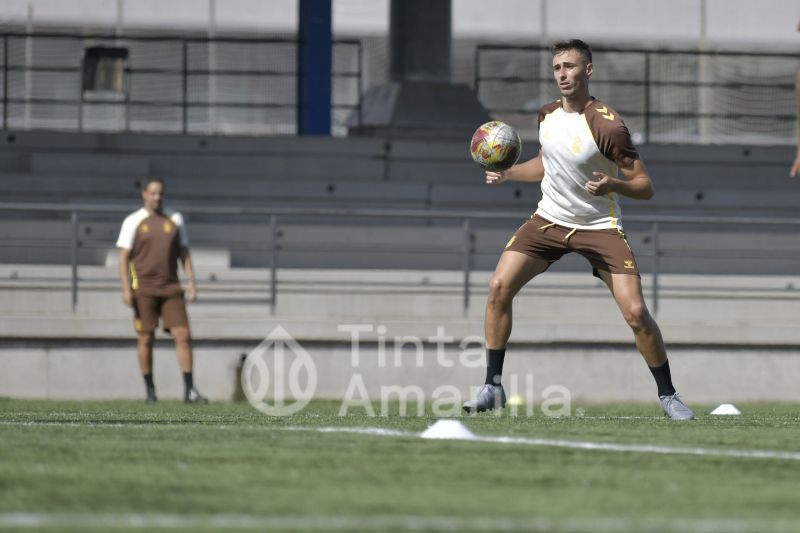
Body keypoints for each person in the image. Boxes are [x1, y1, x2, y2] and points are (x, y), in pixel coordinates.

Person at [462, 39, 695, 420]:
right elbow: (545, 164)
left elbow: (645, 187)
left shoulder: (608, 125)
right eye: (557, 68)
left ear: (588, 70)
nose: (562, 74)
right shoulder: (547, 115)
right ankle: (492, 385)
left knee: (636, 312)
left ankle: (669, 395)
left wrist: (613, 185)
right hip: (548, 221)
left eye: (569, 66)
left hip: (599, 227)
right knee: (498, 286)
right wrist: (509, 173)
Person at [117, 177, 208, 404]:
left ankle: (189, 391)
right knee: (146, 337)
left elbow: (184, 253)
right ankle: (150, 391)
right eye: (153, 193)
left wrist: (192, 282)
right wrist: (126, 289)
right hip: (144, 288)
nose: (157, 197)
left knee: (182, 335)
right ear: (144, 194)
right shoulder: (133, 221)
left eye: (161, 194)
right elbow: (123, 257)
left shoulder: (175, 219)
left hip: (170, 287)